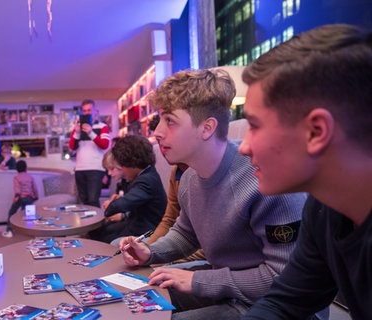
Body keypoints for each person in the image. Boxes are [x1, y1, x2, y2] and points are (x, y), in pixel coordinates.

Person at [117, 69, 308, 320]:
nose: (158, 132)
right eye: (160, 119)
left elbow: (283, 278)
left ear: (207, 128)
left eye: (170, 120)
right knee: (131, 299)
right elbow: (186, 233)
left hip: (277, 305)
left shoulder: (266, 178)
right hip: (229, 287)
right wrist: (151, 252)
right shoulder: (189, 179)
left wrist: (199, 280)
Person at [238, 24, 372, 320]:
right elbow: (284, 304)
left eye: (254, 125)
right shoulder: (324, 208)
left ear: (316, 131)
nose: (243, 147)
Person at [88, 135, 166, 245]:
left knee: (106, 241)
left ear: (131, 163)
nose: (122, 170)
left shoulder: (146, 181)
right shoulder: (147, 174)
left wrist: (109, 209)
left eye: (122, 166)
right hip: (136, 225)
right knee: (101, 233)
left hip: (146, 230)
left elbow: (121, 205)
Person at [68, 99, 110, 207]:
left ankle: (98, 224)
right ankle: (86, 223)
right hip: (80, 169)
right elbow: (72, 147)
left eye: (89, 110)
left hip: (96, 168)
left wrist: (90, 132)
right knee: (83, 202)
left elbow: (105, 145)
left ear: (96, 111)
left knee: (93, 200)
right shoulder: (77, 128)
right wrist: (77, 133)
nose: (87, 113)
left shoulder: (103, 126)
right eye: (84, 111)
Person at [1, 160, 38, 238]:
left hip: (20, 198)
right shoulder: (30, 177)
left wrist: (16, 197)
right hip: (29, 198)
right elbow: (35, 188)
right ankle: (32, 232)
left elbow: (17, 190)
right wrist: (36, 196)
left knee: (12, 212)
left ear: (17, 169)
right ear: (25, 168)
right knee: (29, 215)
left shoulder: (16, 177)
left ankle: (9, 231)